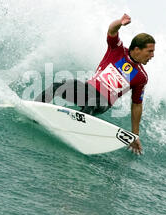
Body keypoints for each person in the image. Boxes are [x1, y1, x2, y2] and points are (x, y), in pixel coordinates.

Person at [35, 14, 155, 155]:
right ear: (136, 49)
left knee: (92, 102)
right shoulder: (117, 50)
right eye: (150, 51)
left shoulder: (141, 76)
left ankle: (75, 132)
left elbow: (137, 104)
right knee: (57, 86)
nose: (152, 55)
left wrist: (135, 135)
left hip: (103, 101)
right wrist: (120, 23)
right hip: (87, 89)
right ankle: (34, 110)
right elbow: (112, 30)